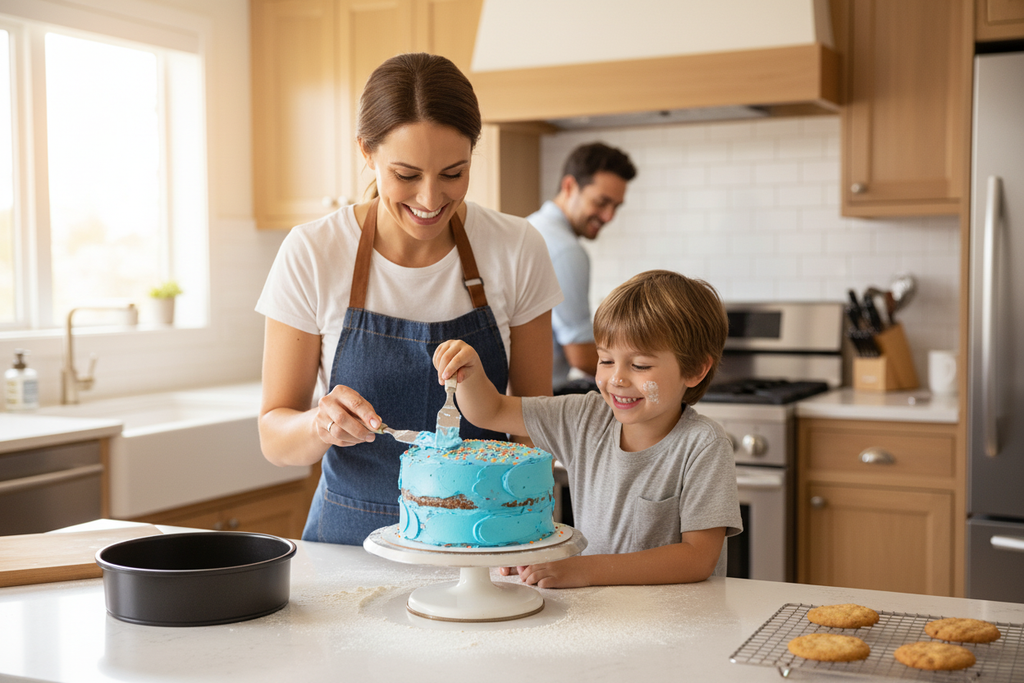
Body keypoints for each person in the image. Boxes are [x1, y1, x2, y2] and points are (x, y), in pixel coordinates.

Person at [255, 53, 563, 546]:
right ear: (366, 152)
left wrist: (534, 538)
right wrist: (321, 423)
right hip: (346, 547)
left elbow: (536, 425)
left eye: (453, 173)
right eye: (406, 174)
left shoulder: (515, 247)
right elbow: (275, 436)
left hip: (480, 551)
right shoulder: (313, 251)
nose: (429, 199)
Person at [432, 270, 742, 588]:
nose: (617, 379)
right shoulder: (585, 418)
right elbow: (492, 411)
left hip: (678, 621)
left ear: (695, 370)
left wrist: (583, 570)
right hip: (599, 611)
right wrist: (469, 370)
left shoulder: (704, 444)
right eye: (606, 360)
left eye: (639, 365)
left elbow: (697, 558)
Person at [527, 142, 637, 395]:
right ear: (569, 186)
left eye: (616, 207)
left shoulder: (530, 228)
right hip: (541, 397)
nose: (609, 216)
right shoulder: (565, 250)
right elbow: (581, 356)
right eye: (601, 202)